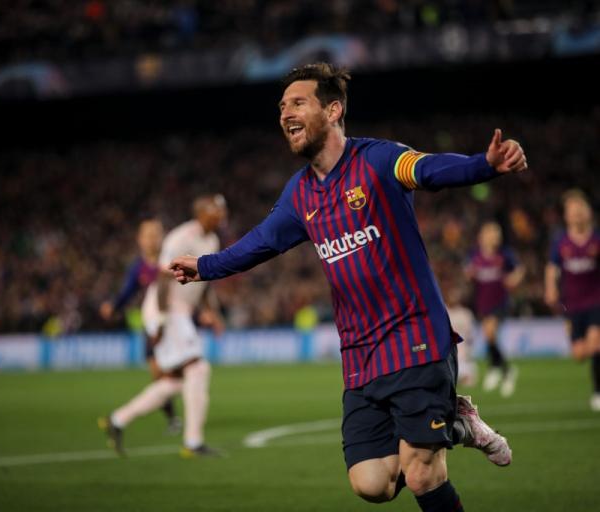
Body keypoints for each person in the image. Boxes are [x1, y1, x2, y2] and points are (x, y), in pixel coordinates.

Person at [169, 63, 525, 510]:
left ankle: (442, 426)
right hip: (359, 352)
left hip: (414, 336)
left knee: (420, 472)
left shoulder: (378, 160)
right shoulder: (299, 194)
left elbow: (429, 169)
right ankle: (457, 422)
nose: (285, 114)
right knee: (371, 484)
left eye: (298, 103)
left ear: (334, 110)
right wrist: (205, 266)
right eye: (282, 106)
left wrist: (484, 165)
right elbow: (261, 242)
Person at [100, 195, 227, 457]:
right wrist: (159, 320)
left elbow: (203, 280)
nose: (221, 214)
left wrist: (212, 313)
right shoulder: (180, 238)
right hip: (167, 310)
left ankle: (117, 420)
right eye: (216, 209)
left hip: (181, 312)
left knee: (175, 382)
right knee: (198, 368)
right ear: (202, 212)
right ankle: (193, 443)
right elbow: (161, 276)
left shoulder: (212, 240)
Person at [98, 216, 181, 432]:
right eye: (148, 235)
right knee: (158, 375)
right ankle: (174, 419)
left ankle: (186, 418)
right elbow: (127, 292)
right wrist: (113, 306)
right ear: (140, 239)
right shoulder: (139, 267)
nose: (152, 239)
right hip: (151, 326)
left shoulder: (171, 260)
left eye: (156, 234)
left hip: (174, 324)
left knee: (176, 374)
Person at [545, 189, 600, 411]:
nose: (577, 214)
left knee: (596, 344)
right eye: (573, 211)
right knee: (579, 354)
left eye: (580, 210)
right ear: (567, 216)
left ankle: (597, 391)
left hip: (596, 300)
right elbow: (552, 267)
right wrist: (550, 288)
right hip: (573, 304)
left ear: (588, 213)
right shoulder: (561, 242)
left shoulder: (597, 238)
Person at [465, 222, 524, 396]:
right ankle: (504, 369)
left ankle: (496, 368)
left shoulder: (505, 254)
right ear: (482, 236)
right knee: (489, 336)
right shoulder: (474, 254)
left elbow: (519, 270)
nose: (494, 237)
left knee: (489, 332)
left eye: (496, 233)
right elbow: (469, 273)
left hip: (501, 302)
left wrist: (514, 278)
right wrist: (469, 274)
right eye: (490, 233)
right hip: (482, 302)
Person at [444, 285, 478, 388]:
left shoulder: (466, 313)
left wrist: (469, 352)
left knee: (469, 383)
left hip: (464, 357)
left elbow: (471, 336)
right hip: (448, 358)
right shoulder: (443, 312)